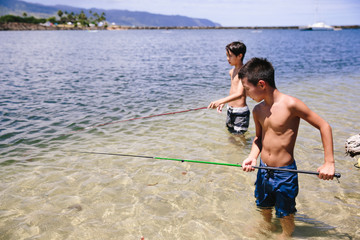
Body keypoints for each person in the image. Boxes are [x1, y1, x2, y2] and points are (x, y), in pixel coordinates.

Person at [239, 57, 335, 238]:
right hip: (263, 169)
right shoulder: (257, 110)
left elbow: (324, 126)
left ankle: (286, 234)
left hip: (285, 173)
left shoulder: (291, 105)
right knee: (263, 205)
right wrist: (252, 156)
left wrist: (328, 162)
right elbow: (259, 138)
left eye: (246, 89)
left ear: (261, 84)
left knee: (285, 213)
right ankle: (267, 226)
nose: (245, 94)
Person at [208, 41, 250, 134]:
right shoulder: (231, 71)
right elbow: (233, 91)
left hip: (240, 113)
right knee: (231, 137)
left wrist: (220, 101)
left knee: (239, 140)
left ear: (240, 56)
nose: (227, 58)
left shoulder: (244, 72)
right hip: (230, 110)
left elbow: (239, 94)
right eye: (227, 55)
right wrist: (224, 103)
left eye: (230, 56)